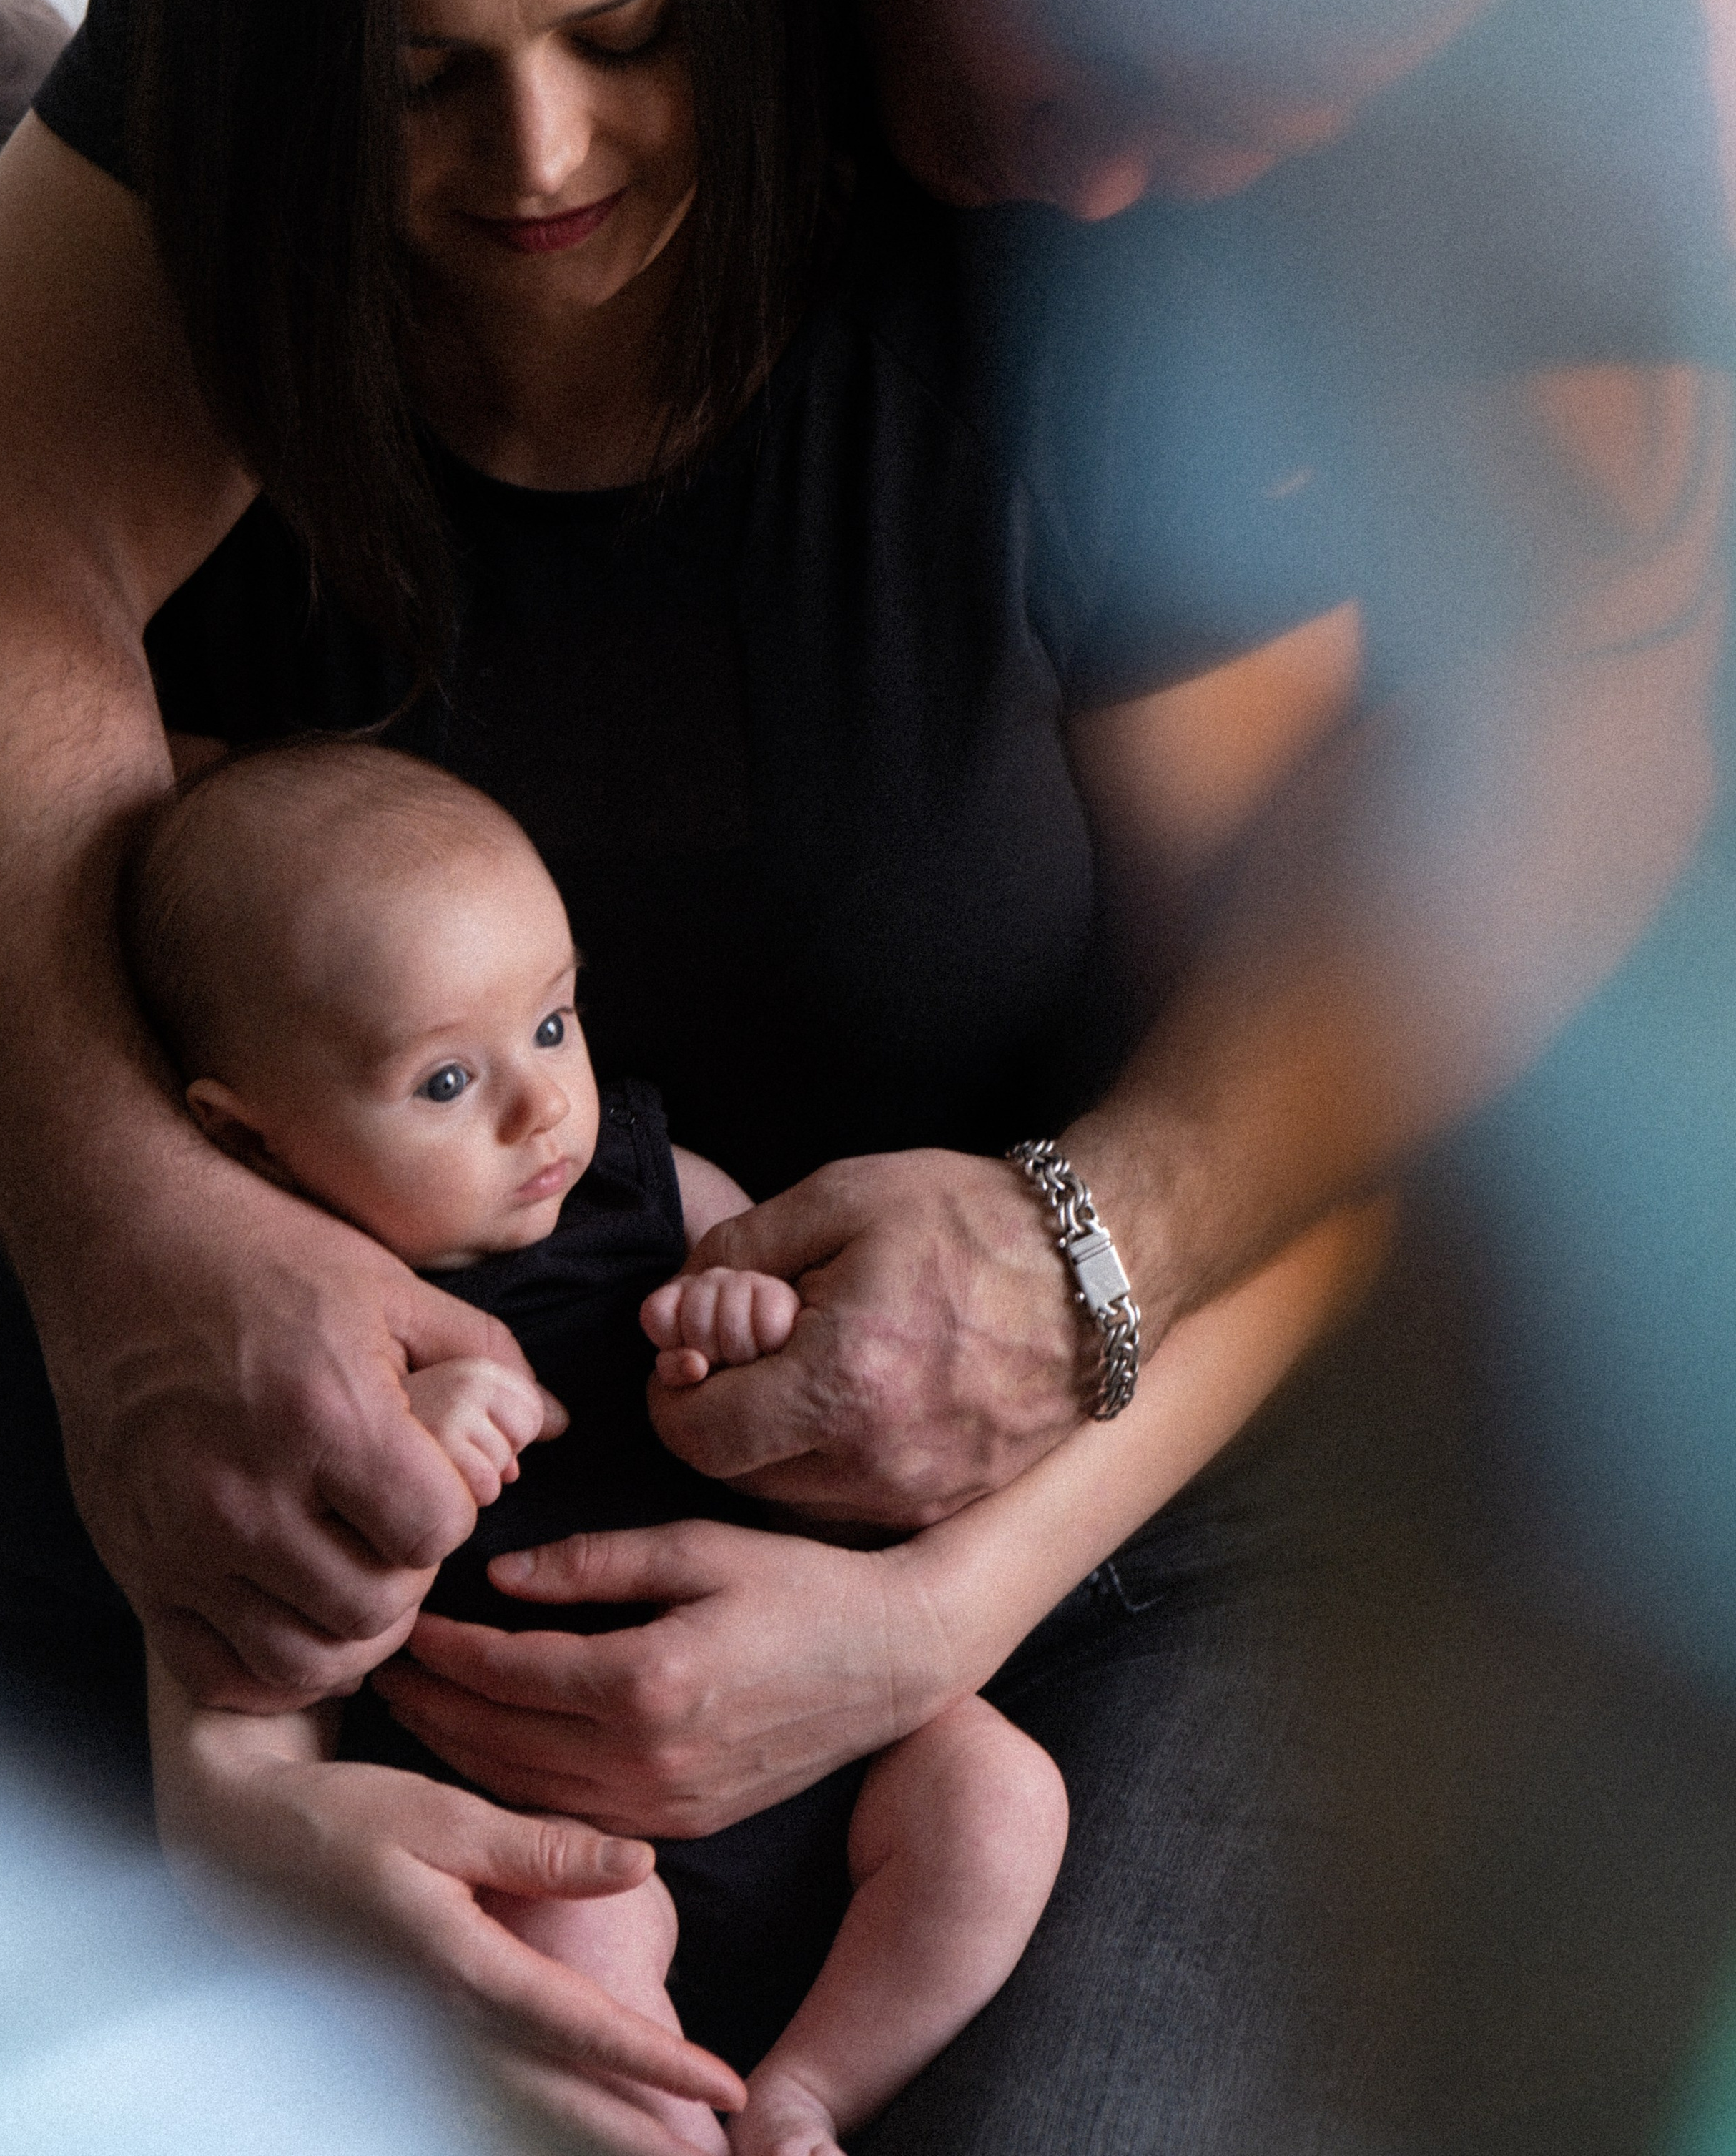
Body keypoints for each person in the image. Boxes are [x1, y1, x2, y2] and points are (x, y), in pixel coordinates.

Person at [0, 0, 1726, 2153]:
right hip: (441, 1438)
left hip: (1105, 1482)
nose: (1125, 196)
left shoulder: (1484, 4)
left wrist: (1079, 1292)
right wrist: (144, 1267)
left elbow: (1544, 819)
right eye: (1100, 57)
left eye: (1266, 137)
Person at [125, 736, 1067, 2156]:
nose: (537, 1105)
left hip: (826, 1749)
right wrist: (414, 1468)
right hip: (547, 1827)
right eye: (445, 1082)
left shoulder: (655, 1189)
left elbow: (830, 1371)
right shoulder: (271, 1352)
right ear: (250, 1146)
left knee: (997, 1797)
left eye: (552, 1026)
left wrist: (746, 1313)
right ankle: (672, 2118)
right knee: (581, 1933)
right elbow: (234, 1662)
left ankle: (812, 2087)